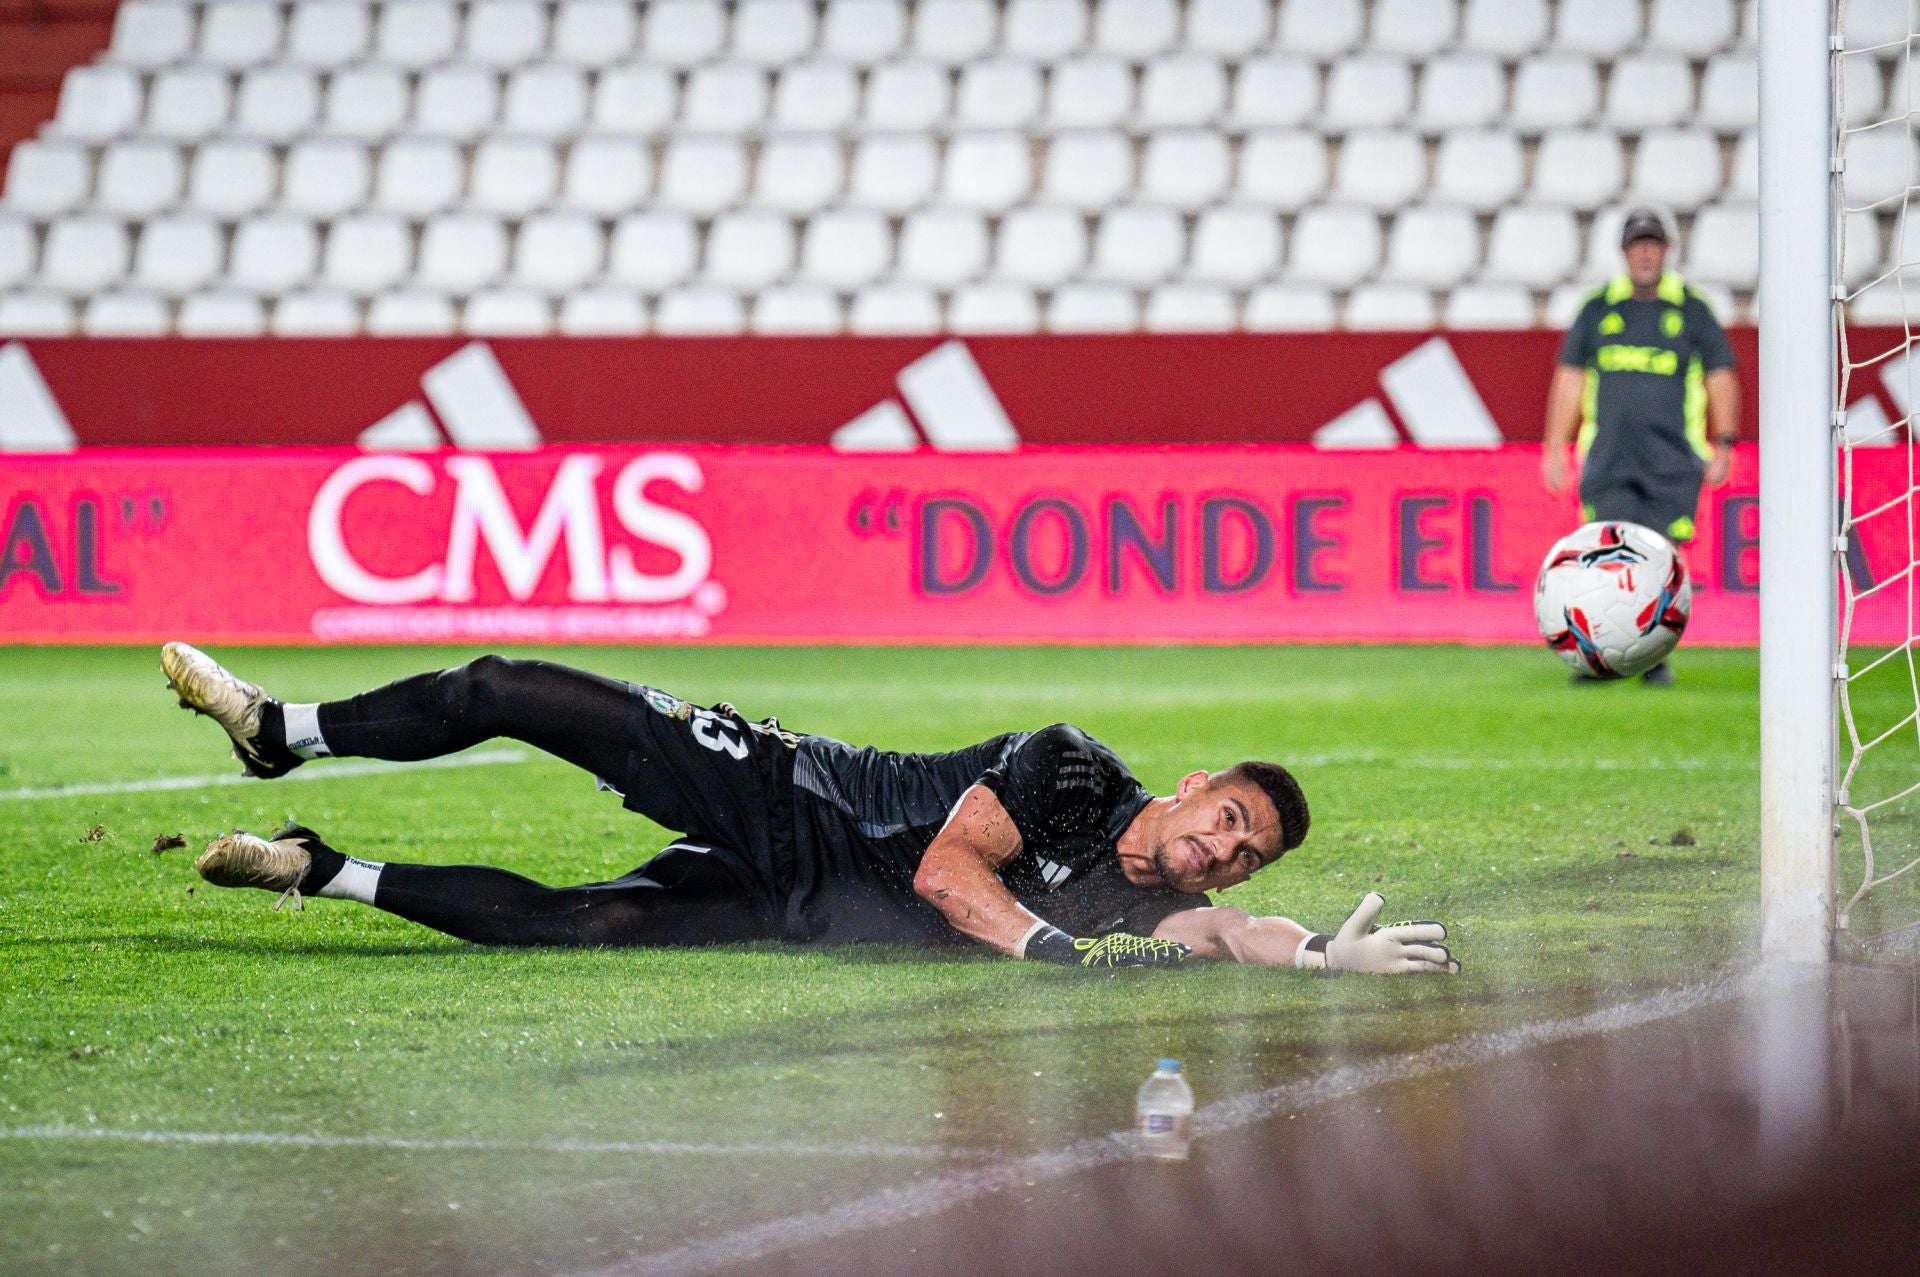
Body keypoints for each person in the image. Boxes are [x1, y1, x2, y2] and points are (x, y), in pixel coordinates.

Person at [161, 643, 1458, 976]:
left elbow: (1233, 944)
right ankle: (287, 735)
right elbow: (955, 876)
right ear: (1191, 789)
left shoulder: (1167, 902)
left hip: (800, 904)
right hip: (793, 790)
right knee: (507, 687)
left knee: (582, 928)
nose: (1223, 850)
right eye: (1228, 815)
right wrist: (1050, 951)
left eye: (1243, 854)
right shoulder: (1073, 768)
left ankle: (315, 869)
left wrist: (1326, 960)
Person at [1541, 206, 1740, 686]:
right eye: (1638, 245)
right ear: (1625, 252)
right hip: (1608, 454)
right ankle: (1600, 657)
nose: (1646, 253)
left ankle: (1653, 656)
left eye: (1654, 244)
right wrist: (1554, 446)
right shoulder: (1598, 308)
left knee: (1660, 561)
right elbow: (1570, 379)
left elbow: (1721, 375)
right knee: (1606, 560)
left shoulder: (1691, 310)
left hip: (1672, 458)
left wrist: (1724, 442)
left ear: (1668, 250)